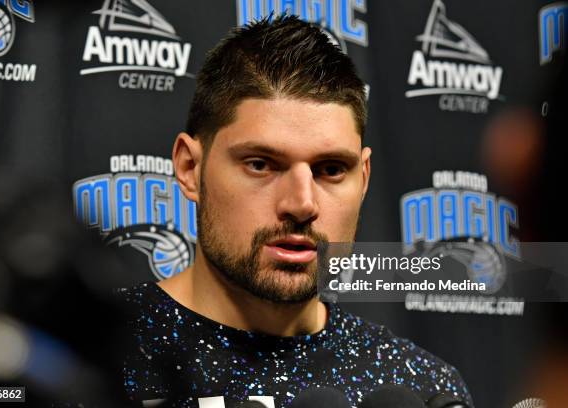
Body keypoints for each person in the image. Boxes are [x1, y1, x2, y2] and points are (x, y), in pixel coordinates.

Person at [118, 15, 473, 408]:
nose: (302, 203)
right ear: (189, 168)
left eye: (331, 170)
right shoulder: (95, 360)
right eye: (261, 164)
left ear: (364, 178)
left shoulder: (425, 388)